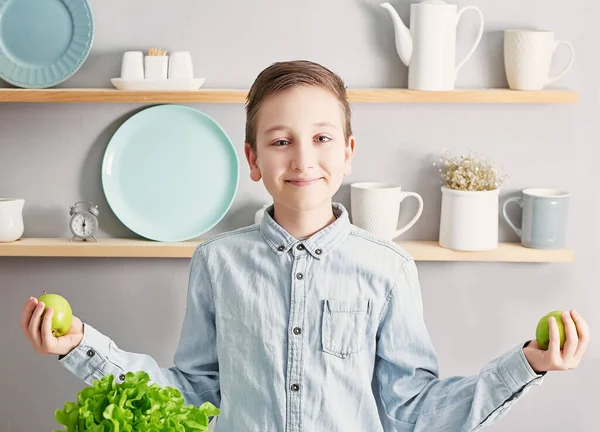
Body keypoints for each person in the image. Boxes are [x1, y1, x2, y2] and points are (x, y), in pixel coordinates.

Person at [21, 60, 590, 431]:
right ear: (252, 161)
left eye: (320, 138)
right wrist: (80, 347)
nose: (302, 158)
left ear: (347, 151)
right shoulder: (217, 263)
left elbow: (412, 410)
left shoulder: (388, 268)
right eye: (279, 141)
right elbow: (193, 395)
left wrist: (527, 365)